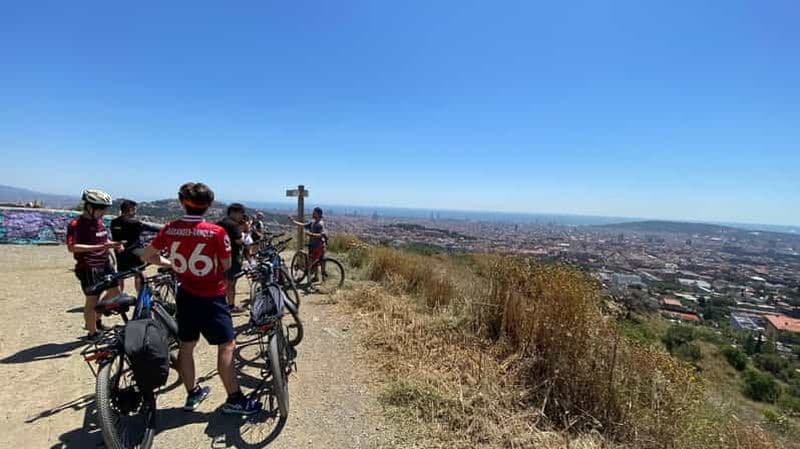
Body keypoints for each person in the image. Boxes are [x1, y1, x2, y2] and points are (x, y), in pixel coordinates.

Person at [140, 183, 261, 415]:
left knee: (187, 346)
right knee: (226, 346)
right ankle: (234, 399)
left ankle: (193, 392)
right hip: (213, 296)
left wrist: (171, 263)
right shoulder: (216, 232)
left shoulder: (170, 228)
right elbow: (225, 265)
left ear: (182, 202)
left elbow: (148, 256)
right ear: (209, 205)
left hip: (185, 294)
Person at [67, 189, 124, 340]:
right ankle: (92, 333)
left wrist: (114, 245)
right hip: (89, 267)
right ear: (89, 207)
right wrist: (100, 247)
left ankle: (96, 319)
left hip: (105, 263)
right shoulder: (76, 224)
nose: (104, 213)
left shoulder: (98, 222)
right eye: (101, 209)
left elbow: (103, 242)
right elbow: (72, 247)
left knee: (115, 292)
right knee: (92, 301)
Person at [110, 199, 162, 294]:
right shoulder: (135, 223)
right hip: (135, 251)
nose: (135, 212)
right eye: (134, 209)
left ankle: (116, 297)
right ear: (130, 210)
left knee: (121, 275)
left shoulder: (114, 222)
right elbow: (154, 228)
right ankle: (141, 297)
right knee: (139, 274)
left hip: (120, 253)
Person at [217, 203, 246, 313]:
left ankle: (221, 303)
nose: (242, 216)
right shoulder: (234, 225)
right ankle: (231, 305)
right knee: (231, 283)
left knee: (222, 282)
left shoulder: (220, 223)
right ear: (233, 213)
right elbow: (239, 240)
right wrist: (243, 233)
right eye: (241, 213)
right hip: (232, 258)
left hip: (219, 257)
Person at [289, 207, 327, 282]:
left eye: (314, 212)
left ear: (319, 214)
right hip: (313, 245)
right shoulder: (313, 222)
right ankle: (316, 277)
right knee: (314, 262)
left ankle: (323, 278)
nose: (313, 213)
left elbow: (321, 235)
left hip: (318, 246)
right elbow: (303, 225)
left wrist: (310, 234)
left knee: (318, 261)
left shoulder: (320, 224)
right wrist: (293, 221)